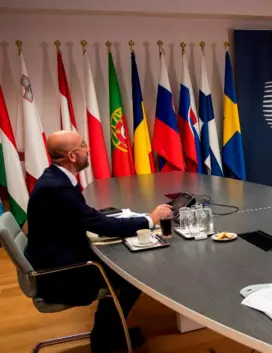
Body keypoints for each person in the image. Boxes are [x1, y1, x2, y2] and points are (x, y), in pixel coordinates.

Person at [24, 130, 172, 353]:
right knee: (132, 276)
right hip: (60, 274)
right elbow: (101, 226)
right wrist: (150, 219)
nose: (89, 149)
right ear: (72, 156)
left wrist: (100, 218)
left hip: (57, 256)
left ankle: (112, 330)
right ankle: (106, 340)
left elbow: (83, 216)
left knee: (126, 264)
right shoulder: (57, 187)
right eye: (84, 145)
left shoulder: (55, 178)